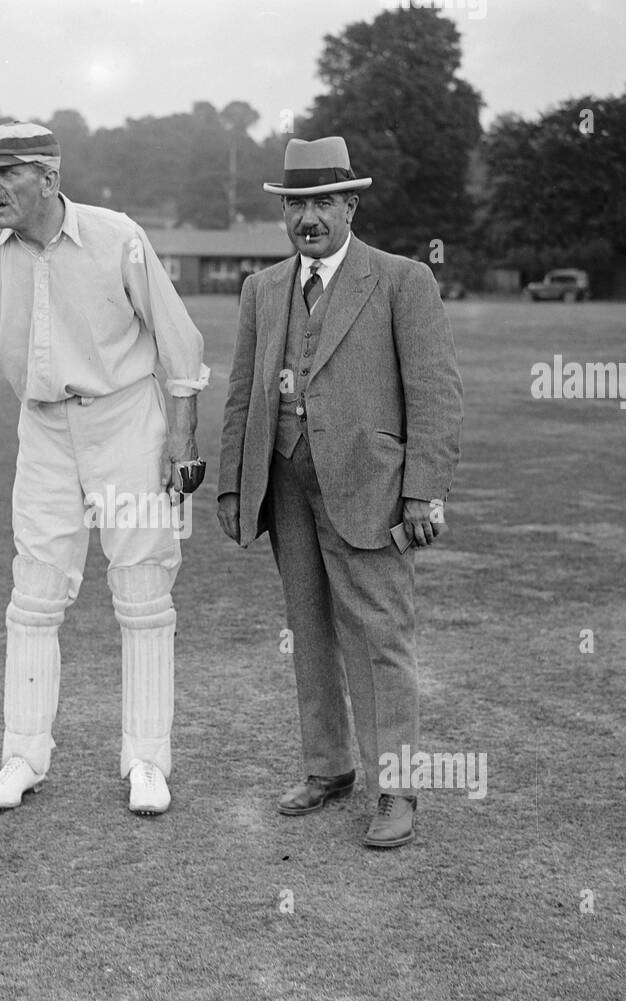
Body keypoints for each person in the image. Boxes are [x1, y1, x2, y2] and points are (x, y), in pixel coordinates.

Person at [0, 123, 208, 816]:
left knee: (143, 593)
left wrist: (181, 442)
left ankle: (146, 760)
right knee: (35, 594)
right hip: (45, 431)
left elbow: (181, 345)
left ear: (48, 180)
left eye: (7, 174)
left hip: (128, 423)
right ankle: (23, 755)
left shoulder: (118, 238)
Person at [217, 137, 463, 848]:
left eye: (324, 201)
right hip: (286, 486)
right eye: (297, 204)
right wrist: (236, 483)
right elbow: (241, 395)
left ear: (351, 204)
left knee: (382, 638)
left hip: (373, 489)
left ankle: (397, 788)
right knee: (310, 631)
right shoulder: (262, 290)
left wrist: (422, 492)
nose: (309, 217)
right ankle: (328, 768)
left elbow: (435, 394)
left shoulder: (401, 280)